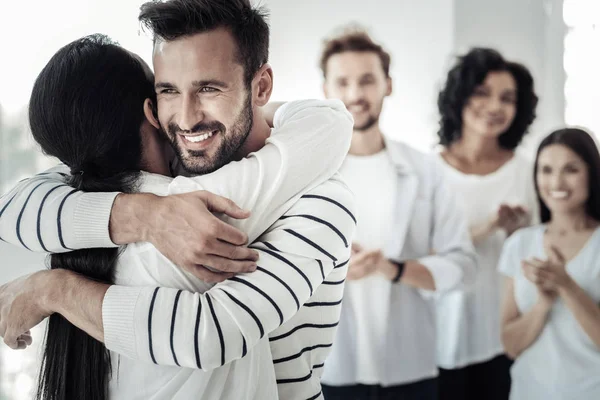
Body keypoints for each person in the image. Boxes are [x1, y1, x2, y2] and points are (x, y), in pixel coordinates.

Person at [0, 1, 356, 400]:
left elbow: (212, 332)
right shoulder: (163, 176)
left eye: (208, 88)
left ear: (261, 87)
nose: (186, 120)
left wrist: (53, 291)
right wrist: (146, 216)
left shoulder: (322, 200)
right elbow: (13, 205)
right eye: (168, 90)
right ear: (151, 109)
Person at [316, 27, 477, 400]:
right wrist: (335, 270)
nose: (355, 95)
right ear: (325, 91)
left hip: (411, 368)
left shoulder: (425, 170)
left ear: (388, 85)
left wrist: (395, 269)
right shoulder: (308, 176)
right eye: (343, 82)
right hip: (330, 368)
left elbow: (464, 266)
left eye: (367, 80)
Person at [434, 48, 539, 400]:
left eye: (507, 98)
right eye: (482, 92)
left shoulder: (528, 172)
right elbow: (419, 255)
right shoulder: (428, 171)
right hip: (437, 334)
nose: (495, 106)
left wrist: (517, 236)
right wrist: (488, 227)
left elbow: (543, 254)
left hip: (500, 337)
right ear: (460, 96)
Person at [499, 127, 600, 400]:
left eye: (571, 169)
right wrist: (543, 304)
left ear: (591, 173)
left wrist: (567, 286)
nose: (556, 182)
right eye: (545, 170)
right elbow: (510, 345)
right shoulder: (519, 244)